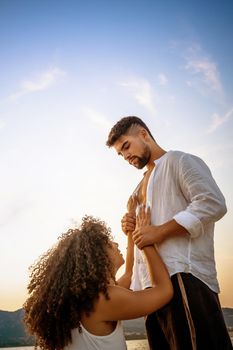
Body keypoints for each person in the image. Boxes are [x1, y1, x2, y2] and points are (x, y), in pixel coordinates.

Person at [106, 116, 232, 350]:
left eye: (126, 146)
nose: (126, 157)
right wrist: (129, 228)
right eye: (121, 155)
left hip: (184, 277)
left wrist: (160, 232)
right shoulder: (136, 190)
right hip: (150, 290)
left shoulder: (179, 160)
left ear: (143, 134)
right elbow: (142, 236)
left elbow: (212, 202)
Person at [23, 208, 173, 350]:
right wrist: (145, 241)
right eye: (109, 243)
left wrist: (132, 234)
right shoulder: (103, 299)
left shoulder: (87, 299)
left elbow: (129, 274)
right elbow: (164, 290)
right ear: (97, 255)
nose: (115, 244)